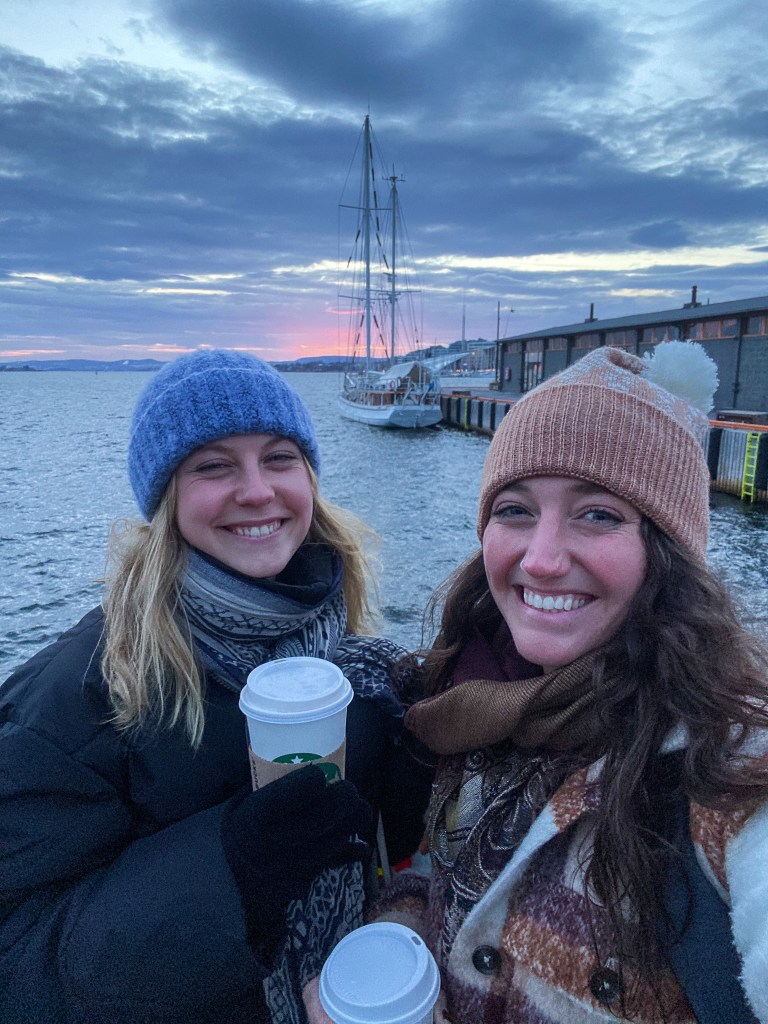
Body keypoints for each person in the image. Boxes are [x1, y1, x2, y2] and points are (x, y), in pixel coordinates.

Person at [310, 342, 768, 1023]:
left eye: (598, 514)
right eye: (516, 510)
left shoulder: (726, 760)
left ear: (668, 551)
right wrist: (400, 936)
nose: (543, 559)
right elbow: (448, 874)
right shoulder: (469, 694)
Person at [0, 350, 433, 1024]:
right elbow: (21, 959)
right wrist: (230, 873)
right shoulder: (80, 693)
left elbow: (375, 840)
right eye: (213, 466)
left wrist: (421, 755)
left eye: (279, 458)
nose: (257, 490)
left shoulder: (350, 658)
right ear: (165, 497)